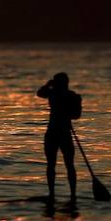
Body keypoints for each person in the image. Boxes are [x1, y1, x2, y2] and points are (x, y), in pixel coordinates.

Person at [37, 72, 80, 202]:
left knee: (69, 165)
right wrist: (48, 85)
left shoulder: (73, 97)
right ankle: (52, 194)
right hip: (52, 133)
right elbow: (40, 93)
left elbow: (77, 115)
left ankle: (73, 194)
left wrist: (66, 112)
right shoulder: (52, 94)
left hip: (64, 134)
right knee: (51, 165)